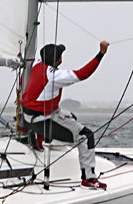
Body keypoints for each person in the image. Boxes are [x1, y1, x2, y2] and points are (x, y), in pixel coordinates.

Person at [21, 41, 110, 189]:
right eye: (60, 55)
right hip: (41, 120)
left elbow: (26, 64)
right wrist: (101, 54)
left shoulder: (36, 64)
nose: (62, 57)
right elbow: (82, 74)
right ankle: (88, 179)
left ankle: (39, 140)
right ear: (57, 59)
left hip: (28, 116)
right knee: (86, 136)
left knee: (71, 117)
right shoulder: (54, 76)